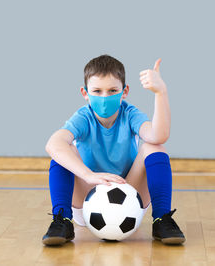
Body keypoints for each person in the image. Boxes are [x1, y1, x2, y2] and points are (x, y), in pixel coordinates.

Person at [42, 54, 185, 246]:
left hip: (130, 196)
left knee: (154, 146)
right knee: (62, 151)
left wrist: (161, 93)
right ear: (85, 93)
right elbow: (53, 144)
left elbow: (158, 135)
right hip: (87, 197)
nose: (104, 97)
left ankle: (162, 219)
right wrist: (88, 175)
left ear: (124, 91)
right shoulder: (84, 117)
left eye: (112, 90)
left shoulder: (130, 114)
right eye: (97, 91)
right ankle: (62, 219)